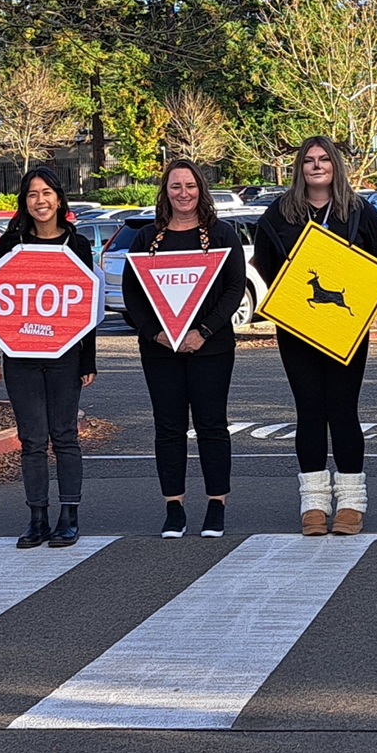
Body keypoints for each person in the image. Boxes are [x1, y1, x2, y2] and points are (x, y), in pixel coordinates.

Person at [251, 137, 377, 536]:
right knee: (309, 411)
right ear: (299, 168)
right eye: (308, 160)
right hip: (296, 328)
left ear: (335, 165)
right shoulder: (279, 213)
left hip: (346, 329)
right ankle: (312, 503)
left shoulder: (359, 211)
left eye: (324, 159)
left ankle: (351, 503)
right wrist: (293, 298)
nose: (316, 166)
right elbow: (265, 263)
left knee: (343, 411)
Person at [122, 160, 247, 539]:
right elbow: (133, 293)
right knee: (168, 427)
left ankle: (216, 504)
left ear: (200, 189)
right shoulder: (147, 239)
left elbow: (234, 288)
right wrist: (155, 333)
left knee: (212, 425)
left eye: (190, 185)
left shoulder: (222, 234)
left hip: (212, 348)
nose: (183, 193)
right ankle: (173, 507)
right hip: (160, 351)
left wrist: (203, 331)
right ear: (165, 191)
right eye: (175, 186)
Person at [0, 166, 96, 549]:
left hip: (66, 355)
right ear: (25, 201)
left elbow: (87, 303)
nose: (40, 200)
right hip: (20, 355)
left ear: (59, 198)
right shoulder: (11, 243)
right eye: (32, 194)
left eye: (47, 192)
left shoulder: (77, 244)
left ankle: (69, 516)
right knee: (31, 439)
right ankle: (37, 518)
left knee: (64, 435)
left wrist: (88, 360)